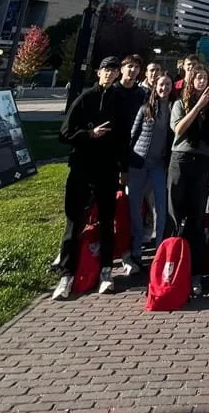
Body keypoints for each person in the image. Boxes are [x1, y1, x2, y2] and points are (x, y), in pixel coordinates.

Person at [52, 57, 125, 300]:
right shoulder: (85, 99)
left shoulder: (118, 100)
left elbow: (124, 138)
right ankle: (66, 275)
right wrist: (89, 134)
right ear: (98, 72)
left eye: (114, 70)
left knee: (107, 221)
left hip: (107, 169)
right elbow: (64, 134)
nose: (110, 74)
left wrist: (122, 167)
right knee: (74, 221)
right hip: (82, 167)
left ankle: (106, 271)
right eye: (106, 70)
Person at [168, 64, 209, 297]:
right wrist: (197, 106)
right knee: (175, 215)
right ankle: (172, 267)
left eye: (204, 77)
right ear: (191, 81)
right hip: (180, 160)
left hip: (202, 163)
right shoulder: (181, 103)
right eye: (198, 77)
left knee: (197, 219)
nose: (201, 81)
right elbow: (178, 129)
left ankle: (195, 273)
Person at [125, 73, 173, 271]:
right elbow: (132, 134)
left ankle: (159, 248)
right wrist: (125, 165)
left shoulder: (171, 109)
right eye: (161, 84)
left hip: (158, 164)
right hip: (138, 162)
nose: (164, 88)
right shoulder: (145, 108)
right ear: (156, 87)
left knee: (161, 207)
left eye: (168, 85)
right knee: (135, 206)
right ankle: (136, 250)